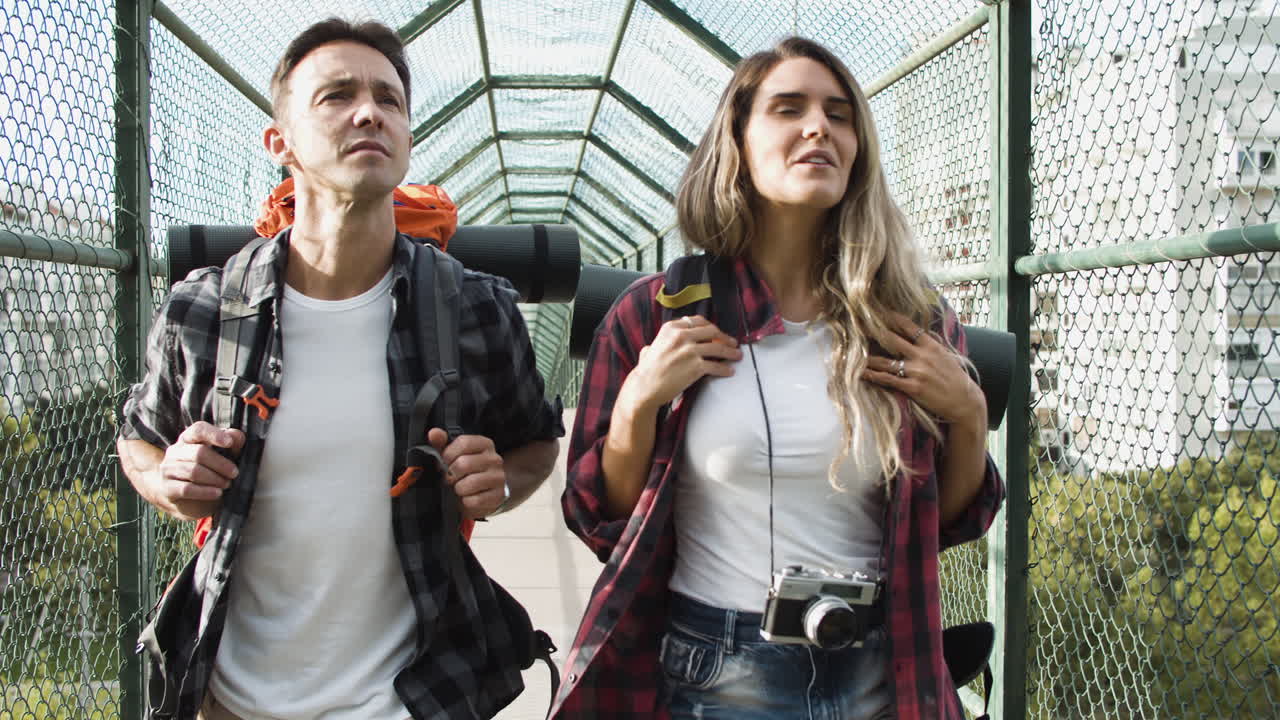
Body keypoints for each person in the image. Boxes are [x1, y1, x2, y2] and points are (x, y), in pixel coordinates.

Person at [117, 18, 562, 720]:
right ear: (280, 141)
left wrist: (499, 486)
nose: (369, 112)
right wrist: (168, 480)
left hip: (414, 698)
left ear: (408, 139)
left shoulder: (474, 308)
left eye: (389, 100)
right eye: (336, 96)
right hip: (230, 698)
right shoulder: (202, 311)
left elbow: (536, 441)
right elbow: (139, 437)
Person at [550, 36, 1004, 720]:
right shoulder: (656, 314)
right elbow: (600, 517)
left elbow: (951, 520)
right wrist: (638, 403)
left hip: (883, 669)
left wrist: (968, 415)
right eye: (787, 108)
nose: (818, 126)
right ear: (736, 139)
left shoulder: (909, 321)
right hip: (717, 669)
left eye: (840, 114)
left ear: (858, 150)